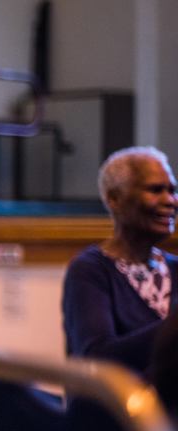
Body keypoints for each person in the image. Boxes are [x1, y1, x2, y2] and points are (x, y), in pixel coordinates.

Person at [62, 146, 178, 375]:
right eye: (155, 190)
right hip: (117, 409)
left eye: (172, 190)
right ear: (114, 199)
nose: (170, 201)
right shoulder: (90, 270)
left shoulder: (175, 268)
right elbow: (96, 359)